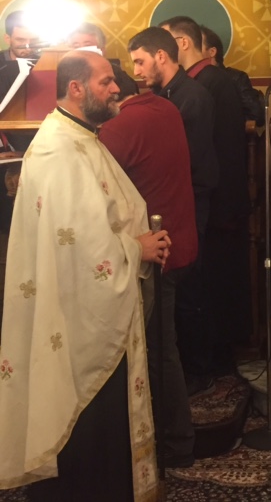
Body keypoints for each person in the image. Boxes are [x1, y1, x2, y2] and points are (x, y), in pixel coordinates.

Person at [0, 50, 169, 501]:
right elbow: (80, 248)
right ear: (76, 89)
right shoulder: (59, 150)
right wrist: (137, 248)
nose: (116, 89)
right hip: (78, 318)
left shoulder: (81, 137)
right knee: (88, 430)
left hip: (88, 308)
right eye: (105, 82)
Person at [100, 90, 198, 468]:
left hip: (155, 252)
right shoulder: (166, 107)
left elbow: (98, 187)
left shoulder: (121, 124)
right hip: (179, 241)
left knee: (157, 348)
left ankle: (176, 441)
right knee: (163, 345)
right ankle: (173, 436)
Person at [159, 15, 251, 384]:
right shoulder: (196, 82)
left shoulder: (212, 82)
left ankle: (214, 361)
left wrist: (219, 208)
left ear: (182, 43)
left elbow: (221, 149)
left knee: (215, 285)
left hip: (217, 204)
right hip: (207, 201)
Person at [128, 26, 218, 395]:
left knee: (188, 287)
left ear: (161, 56)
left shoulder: (190, 97)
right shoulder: (163, 95)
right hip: (173, 201)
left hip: (190, 200)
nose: (136, 71)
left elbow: (180, 159)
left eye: (140, 62)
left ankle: (198, 373)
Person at [200, 24, 265, 125]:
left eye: (197, 47)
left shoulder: (236, 78)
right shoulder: (191, 80)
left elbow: (256, 116)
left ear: (212, 52)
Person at [67, 22, 139, 99]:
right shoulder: (64, 75)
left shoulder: (117, 74)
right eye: (76, 46)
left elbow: (131, 100)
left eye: (87, 45)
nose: (81, 51)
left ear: (102, 50)